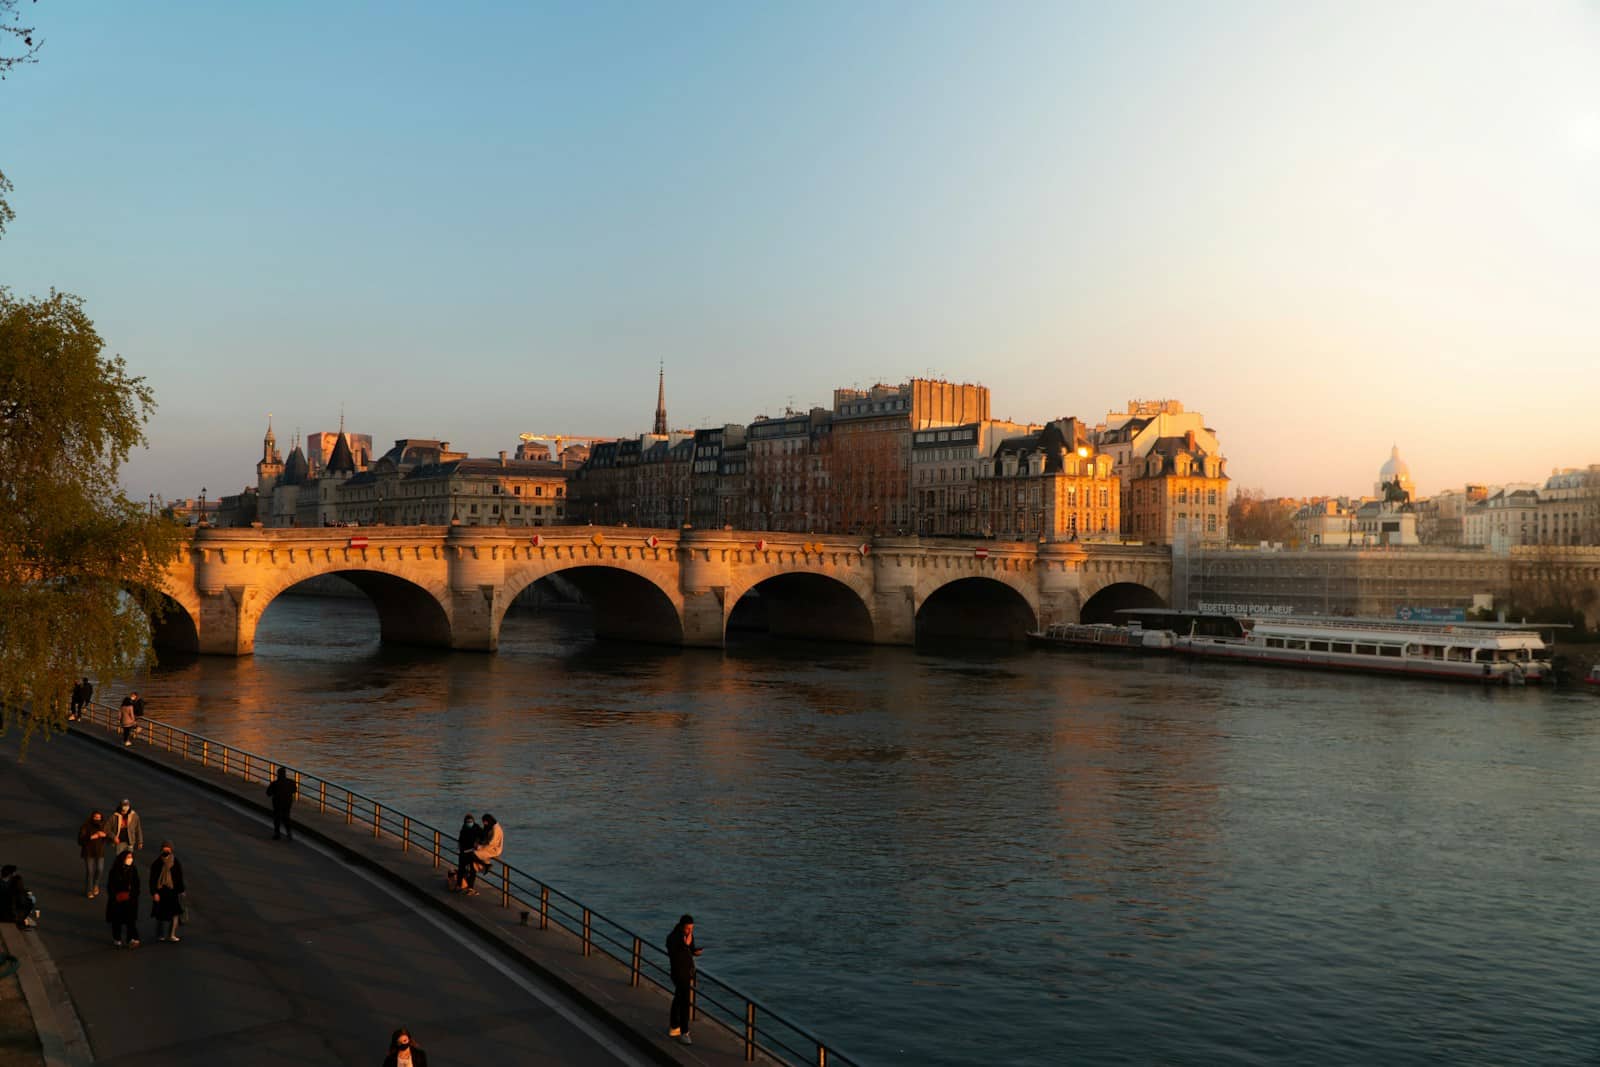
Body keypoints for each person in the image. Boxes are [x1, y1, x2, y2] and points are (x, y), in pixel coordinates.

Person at [666, 913, 703, 1044]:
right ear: (682, 926)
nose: (690, 931)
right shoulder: (673, 938)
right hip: (678, 974)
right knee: (685, 1003)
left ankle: (674, 1026)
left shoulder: (688, 935)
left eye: (692, 929)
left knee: (678, 999)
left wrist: (694, 951)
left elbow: (690, 949)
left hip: (687, 973)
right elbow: (675, 953)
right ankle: (684, 1032)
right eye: (688, 928)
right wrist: (686, 945)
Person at [149, 842, 186, 943]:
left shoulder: (175, 862)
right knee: (160, 915)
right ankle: (160, 934)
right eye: (164, 848)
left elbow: (179, 877)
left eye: (168, 849)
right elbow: (152, 880)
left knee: (175, 913)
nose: (166, 851)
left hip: (172, 891)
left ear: (171, 850)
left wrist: (181, 890)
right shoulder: (157, 863)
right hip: (161, 891)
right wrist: (154, 893)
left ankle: (172, 934)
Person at [105, 850, 141, 948]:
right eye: (128, 857)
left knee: (131, 921)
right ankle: (117, 938)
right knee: (117, 921)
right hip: (117, 900)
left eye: (131, 857)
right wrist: (115, 896)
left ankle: (131, 939)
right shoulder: (114, 871)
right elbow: (110, 886)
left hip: (130, 900)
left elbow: (137, 885)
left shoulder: (133, 870)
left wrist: (133, 895)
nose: (130, 859)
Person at [461, 813, 502, 896]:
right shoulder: (490, 827)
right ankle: (470, 887)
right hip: (486, 847)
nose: (484, 824)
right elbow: (484, 837)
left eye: (485, 822)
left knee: (472, 855)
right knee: (472, 863)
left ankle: (486, 865)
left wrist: (481, 846)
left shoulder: (496, 829)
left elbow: (491, 843)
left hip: (493, 849)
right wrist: (479, 843)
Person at [77, 809, 110, 899]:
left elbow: (109, 839)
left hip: (100, 852)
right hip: (88, 852)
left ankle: (96, 884)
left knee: (100, 869)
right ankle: (89, 890)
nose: (97, 819)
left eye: (99, 817)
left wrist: (105, 835)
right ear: (92, 817)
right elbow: (80, 840)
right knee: (90, 872)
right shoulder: (85, 826)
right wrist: (92, 837)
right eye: (95, 817)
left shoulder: (104, 826)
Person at [0, 865, 39, 931]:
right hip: (7, 917)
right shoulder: (14, 884)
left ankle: (20, 921)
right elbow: (23, 902)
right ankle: (20, 922)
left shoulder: (2, 883)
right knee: (30, 901)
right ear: (11, 874)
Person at [265, 766, 298, 841]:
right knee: (286, 817)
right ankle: (289, 833)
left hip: (277, 802)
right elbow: (294, 790)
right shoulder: (291, 782)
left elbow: (268, 793)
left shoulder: (274, 783)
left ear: (278, 774)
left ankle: (277, 833)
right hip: (287, 802)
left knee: (277, 817)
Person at [452, 814, 479, 892]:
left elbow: (480, 837)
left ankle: (470, 887)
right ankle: (460, 885)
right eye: (468, 822)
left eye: (470, 822)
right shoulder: (464, 829)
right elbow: (460, 840)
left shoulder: (475, 829)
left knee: (472, 870)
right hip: (464, 852)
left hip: (472, 852)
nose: (469, 823)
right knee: (461, 869)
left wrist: (477, 843)